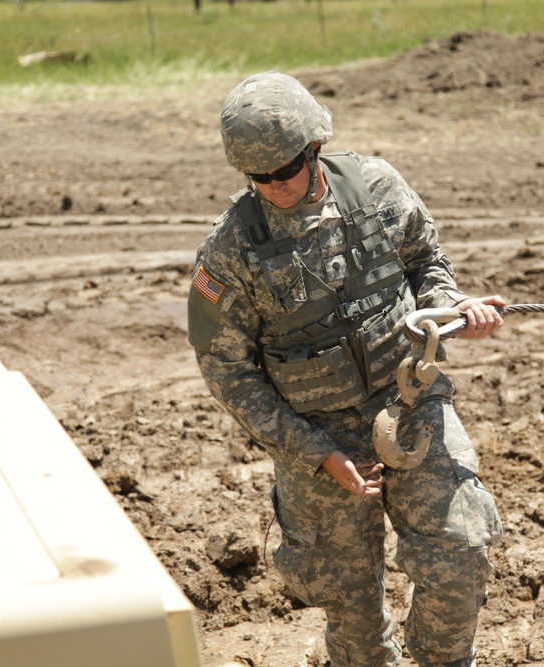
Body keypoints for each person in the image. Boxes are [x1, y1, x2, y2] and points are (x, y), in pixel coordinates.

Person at [187, 70, 505, 667]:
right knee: (352, 616)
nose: (276, 185)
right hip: (320, 439)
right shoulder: (230, 250)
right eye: (261, 177)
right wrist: (315, 453)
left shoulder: (378, 188)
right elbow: (228, 373)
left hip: (410, 404)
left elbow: (425, 264)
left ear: (314, 148)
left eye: (287, 168)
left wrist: (453, 310)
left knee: (460, 550)